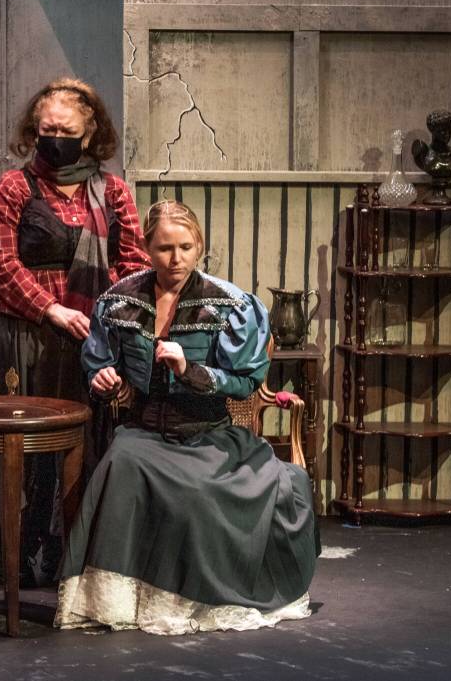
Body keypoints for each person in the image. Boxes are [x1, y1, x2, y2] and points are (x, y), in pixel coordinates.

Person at [55, 200, 319, 635]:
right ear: (147, 248)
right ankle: (124, 599)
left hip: (208, 433)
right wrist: (104, 380)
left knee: (199, 494)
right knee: (120, 467)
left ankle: (197, 597)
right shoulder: (119, 301)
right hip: (143, 431)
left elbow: (246, 381)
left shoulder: (230, 306)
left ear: (199, 247)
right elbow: (100, 363)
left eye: (185, 247)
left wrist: (190, 370)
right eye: (163, 248)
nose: (175, 259)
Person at [0, 77, 150, 588]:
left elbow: (132, 263)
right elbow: (0, 262)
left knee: (80, 445)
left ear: (88, 134)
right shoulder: (15, 187)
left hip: (89, 338)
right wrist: (50, 309)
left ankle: (67, 548)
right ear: (34, 130)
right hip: (23, 336)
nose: (55, 137)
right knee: (20, 446)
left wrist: (108, 317)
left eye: (65, 129)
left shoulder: (113, 192)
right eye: (47, 129)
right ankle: (14, 548)